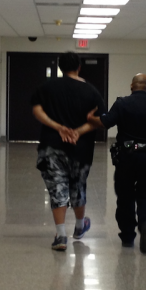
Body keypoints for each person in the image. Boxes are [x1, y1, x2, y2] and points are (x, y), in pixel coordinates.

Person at [86, 73, 146, 254]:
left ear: (131, 86)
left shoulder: (122, 103)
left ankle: (127, 235)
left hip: (126, 159)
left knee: (125, 196)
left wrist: (90, 118)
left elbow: (104, 123)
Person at [31, 52, 106, 251]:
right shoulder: (91, 91)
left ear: (60, 68)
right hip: (80, 150)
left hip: (51, 147)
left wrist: (58, 127)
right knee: (78, 187)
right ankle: (80, 228)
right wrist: (78, 132)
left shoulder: (47, 87)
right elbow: (101, 119)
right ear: (79, 67)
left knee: (57, 189)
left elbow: (37, 110)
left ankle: (61, 235)